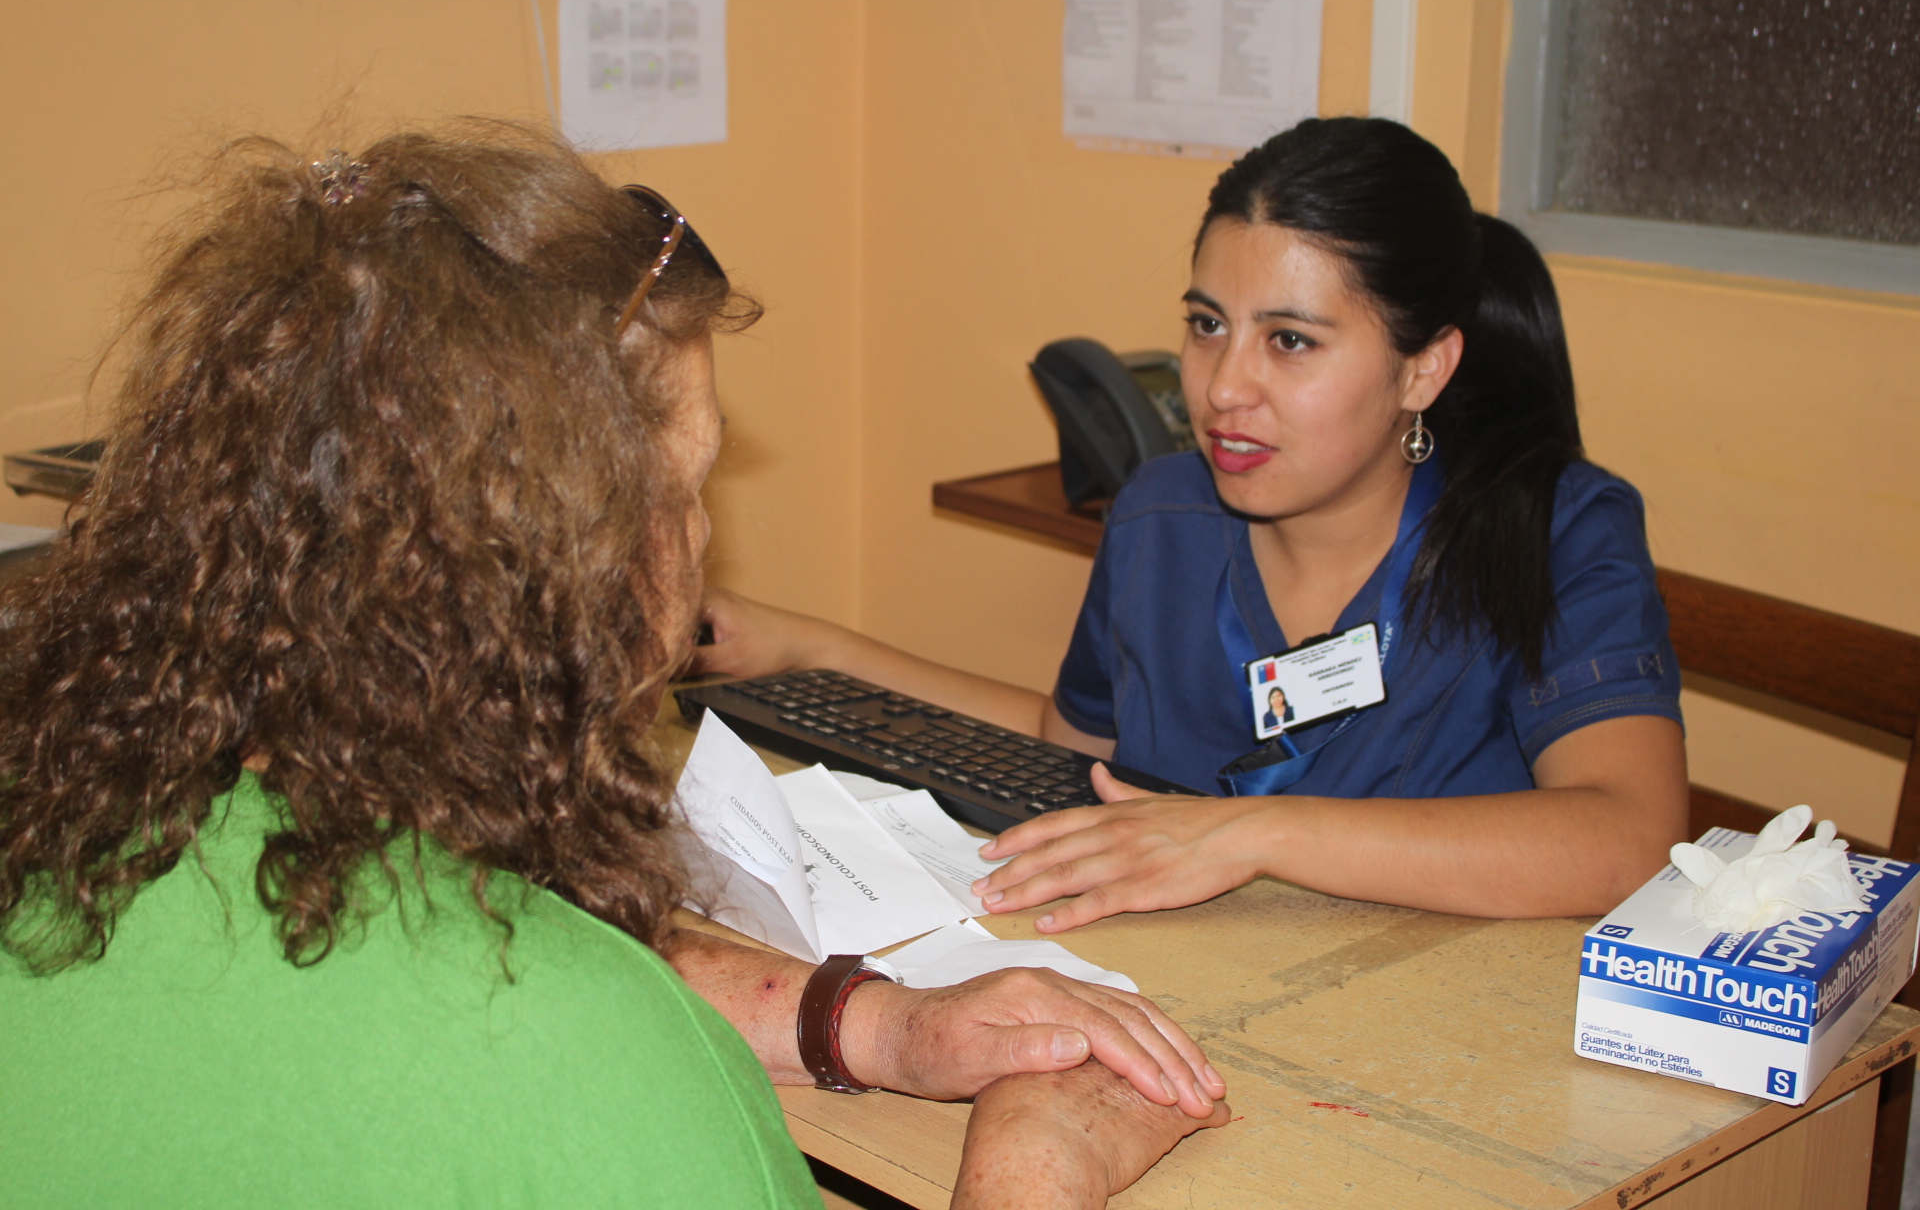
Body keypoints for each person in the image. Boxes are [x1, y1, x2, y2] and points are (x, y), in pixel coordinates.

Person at [0, 125, 1226, 1210]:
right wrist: (1034, 1170)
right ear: (555, 580)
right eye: (686, 493)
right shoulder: (600, 1075)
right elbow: (578, 1011)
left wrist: (880, 1025)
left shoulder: (63, 840)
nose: (701, 547)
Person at [696, 116, 1689, 932]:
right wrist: (809, 644)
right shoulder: (1161, 515)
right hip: (1190, 999)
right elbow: (1065, 735)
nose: (1223, 388)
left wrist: (1248, 834)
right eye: (1209, 325)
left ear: (1424, 368)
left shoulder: (1555, 527)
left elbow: (1628, 837)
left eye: (1290, 340)